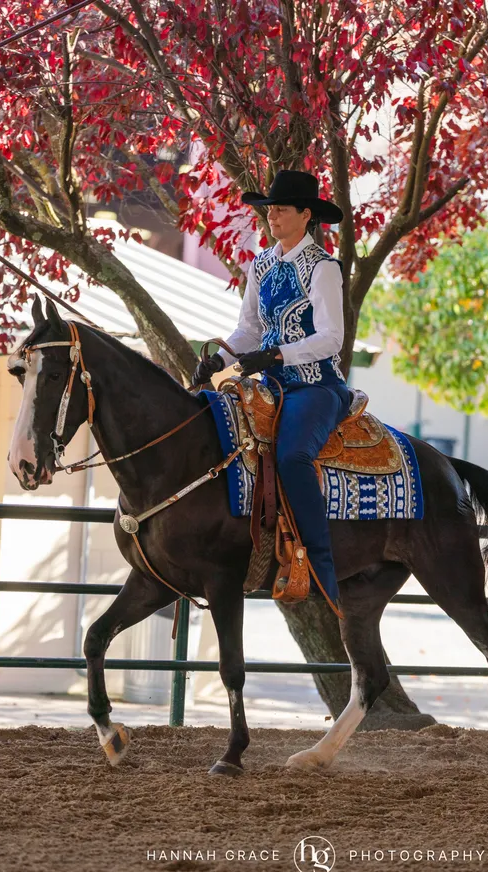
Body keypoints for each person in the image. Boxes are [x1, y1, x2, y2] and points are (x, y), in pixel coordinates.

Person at [191, 169, 351, 610]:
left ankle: (319, 569)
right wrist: (218, 360)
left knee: (292, 456)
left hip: (315, 388)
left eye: (280, 208)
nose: (271, 215)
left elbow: (332, 337)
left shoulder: (323, 269)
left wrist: (278, 354)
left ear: (306, 215)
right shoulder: (261, 264)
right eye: (269, 209)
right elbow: (248, 330)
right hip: (270, 387)